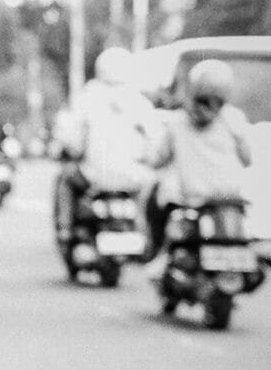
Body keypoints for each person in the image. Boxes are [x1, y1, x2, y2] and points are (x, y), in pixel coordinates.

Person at [142, 59, 254, 267]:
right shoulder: (234, 119)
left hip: (192, 200)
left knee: (157, 205)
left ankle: (158, 256)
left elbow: (158, 160)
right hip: (230, 198)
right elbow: (247, 159)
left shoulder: (177, 123)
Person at [54, 46, 158, 243]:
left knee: (64, 179)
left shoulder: (86, 98)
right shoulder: (140, 101)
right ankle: (147, 232)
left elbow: (74, 143)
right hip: (135, 179)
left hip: (93, 177)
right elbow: (155, 144)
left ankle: (65, 229)